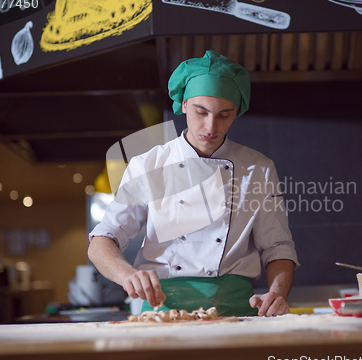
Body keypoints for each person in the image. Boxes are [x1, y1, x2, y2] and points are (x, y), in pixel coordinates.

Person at [88, 51, 299, 317]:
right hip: (161, 311)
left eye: (225, 114)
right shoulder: (148, 165)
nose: (211, 126)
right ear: (184, 104)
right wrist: (127, 274)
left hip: (236, 311)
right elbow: (102, 239)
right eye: (201, 112)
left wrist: (277, 293)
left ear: (237, 112)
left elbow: (278, 247)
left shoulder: (258, 168)